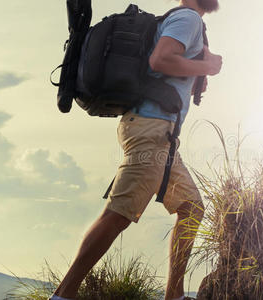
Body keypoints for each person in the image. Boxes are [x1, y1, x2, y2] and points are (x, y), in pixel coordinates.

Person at [49, 0, 222, 299]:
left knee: (191, 208)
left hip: (161, 135)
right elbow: (160, 60)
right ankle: (63, 295)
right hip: (152, 130)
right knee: (118, 214)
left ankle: (174, 294)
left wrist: (195, 77)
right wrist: (207, 66)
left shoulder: (183, 20)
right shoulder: (189, 19)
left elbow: (161, 69)